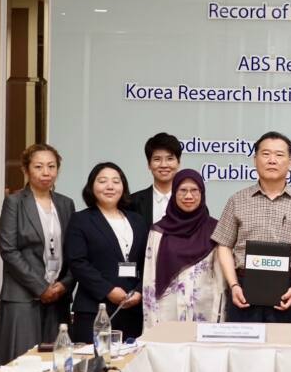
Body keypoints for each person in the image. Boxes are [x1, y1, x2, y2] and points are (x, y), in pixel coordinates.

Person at [212, 131, 291, 323]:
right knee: (244, 343)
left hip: (288, 292)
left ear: (290, 162)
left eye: (279, 155)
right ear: (255, 160)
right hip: (243, 291)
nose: (272, 160)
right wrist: (234, 285)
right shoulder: (237, 200)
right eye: (266, 154)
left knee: (286, 342)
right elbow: (224, 245)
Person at [0, 144, 75, 369]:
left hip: (57, 298)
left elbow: (74, 251)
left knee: (56, 365)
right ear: (26, 170)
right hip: (23, 298)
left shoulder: (65, 204)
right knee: (22, 366)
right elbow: (9, 250)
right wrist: (40, 287)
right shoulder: (14, 202)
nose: (46, 172)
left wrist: (64, 285)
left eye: (51, 166)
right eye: (38, 167)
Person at [64, 162, 148, 343]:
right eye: (102, 181)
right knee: (94, 359)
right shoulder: (81, 219)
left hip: (132, 309)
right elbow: (77, 262)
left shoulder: (137, 220)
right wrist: (108, 290)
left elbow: (147, 261)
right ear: (91, 187)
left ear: (123, 187)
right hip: (94, 309)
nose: (110, 186)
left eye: (116, 182)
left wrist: (139, 291)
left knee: (130, 359)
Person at [142, 169, 224, 329]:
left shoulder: (216, 229)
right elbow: (149, 280)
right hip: (167, 314)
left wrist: (219, 323)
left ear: (202, 194)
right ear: (174, 193)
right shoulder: (158, 231)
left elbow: (221, 282)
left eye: (194, 190)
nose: (188, 196)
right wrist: (150, 326)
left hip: (205, 314)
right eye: (182, 190)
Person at [129, 132, 182, 228]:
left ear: (178, 163)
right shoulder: (132, 202)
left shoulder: (191, 201)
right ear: (149, 164)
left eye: (170, 159)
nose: (164, 165)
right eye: (157, 159)